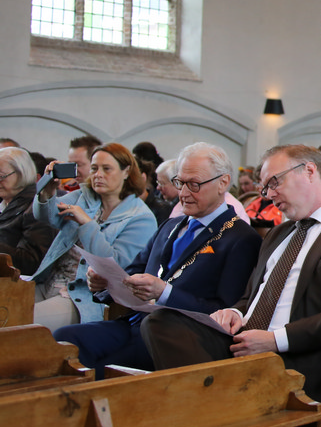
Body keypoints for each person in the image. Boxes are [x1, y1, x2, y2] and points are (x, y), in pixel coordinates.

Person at [140, 144, 321, 411]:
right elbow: (251, 296)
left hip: (301, 354)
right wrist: (234, 312)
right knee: (160, 323)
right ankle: (218, 406)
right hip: (244, 344)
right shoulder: (278, 234)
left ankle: (214, 408)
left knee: (170, 398)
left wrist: (275, 340)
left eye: (274, 182)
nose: (269, 194)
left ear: (309, 171)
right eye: (265, 187)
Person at [54, 143, 262, 376]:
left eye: (194, 184)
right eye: (180, 182)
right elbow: (132, 271)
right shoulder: (171, 225)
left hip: (176, 337)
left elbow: (224, 312)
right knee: (64, 340)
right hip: (134, 322)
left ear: (223, 182)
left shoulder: (241, 238)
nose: (183, 193)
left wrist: (165, 292)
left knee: (98, 369)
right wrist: (106, 282)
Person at [32, 143, 158, 329]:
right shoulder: (84, 197)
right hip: (49, 282)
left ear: (126, 172)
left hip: (82, 296)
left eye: (106, 169)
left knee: (22, 320)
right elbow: (46, 216)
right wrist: (47, 190)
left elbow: (115, 266)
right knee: (8, 307)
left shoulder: (141, 218)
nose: (98, 174)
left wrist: (87, 224)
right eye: (94, 168)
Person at [0, 146, 57, 275]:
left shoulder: (36, 207)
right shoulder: (5, 203)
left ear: (22, 173)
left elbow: (32, 262)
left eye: (1, 176)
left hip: (20, 282)